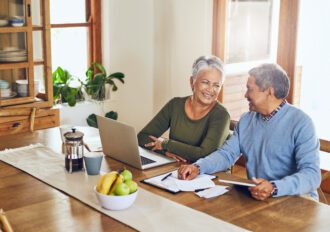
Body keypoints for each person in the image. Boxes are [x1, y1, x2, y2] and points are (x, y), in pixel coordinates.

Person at [178, 63, 321, 201]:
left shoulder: (302, 123)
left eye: (250, 89)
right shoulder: (247, 120)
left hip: (297, 200)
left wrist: (274, 188)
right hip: (258, 197)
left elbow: (312, 175)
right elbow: (226, 154)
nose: (245, 95)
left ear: (269, 91)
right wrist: (198, 167)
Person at [137, 55, 230, 163]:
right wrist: (165, 152)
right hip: (176, 169)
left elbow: (205, 154)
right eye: (205, 82)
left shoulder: (221, 115)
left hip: (207, 175)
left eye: (216, 85)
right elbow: (142, 137)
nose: (210, 90)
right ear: (192, 82)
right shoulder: (175, 105)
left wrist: (165, 144)